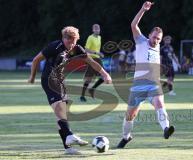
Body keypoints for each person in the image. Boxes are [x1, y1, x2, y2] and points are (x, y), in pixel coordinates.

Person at [28, 26, 112, 154]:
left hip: (60, 81)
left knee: (61, 115)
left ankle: (68, 148)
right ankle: (70, 135)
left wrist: (104, 73)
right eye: (68, 41)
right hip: (49, 79)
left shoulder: (77, 48)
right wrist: (32, 77)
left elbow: (91, 61)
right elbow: (36, 60)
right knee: (60, 109)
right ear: (63, 38)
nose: (71, 44)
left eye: (74, 41)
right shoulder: (54, 46)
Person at [117, 1, 174, 149]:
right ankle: (126, 137)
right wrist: (143, 9)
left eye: (158, 39)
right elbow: (133, 25)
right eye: (154, 37)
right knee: (130, 115)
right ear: (149, 35)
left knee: (159, 104)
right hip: (138, 85)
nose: (156, 40)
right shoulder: (141, 41)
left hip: (153, 84)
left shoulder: (158, 46)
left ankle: (166, 129)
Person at [80, 24, 105, 102]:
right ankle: (82, 96)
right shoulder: (90, 38)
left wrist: (99, 53)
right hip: (91, 59)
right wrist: (96, 53)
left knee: (104, 76)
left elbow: (97, 49)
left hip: (97, 59)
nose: (97, 30)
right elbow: (86, 49)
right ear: (93, 30)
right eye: (96, 29)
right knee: (89, 79)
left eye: (98, 29)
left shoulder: (99, 38)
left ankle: (92, 89)